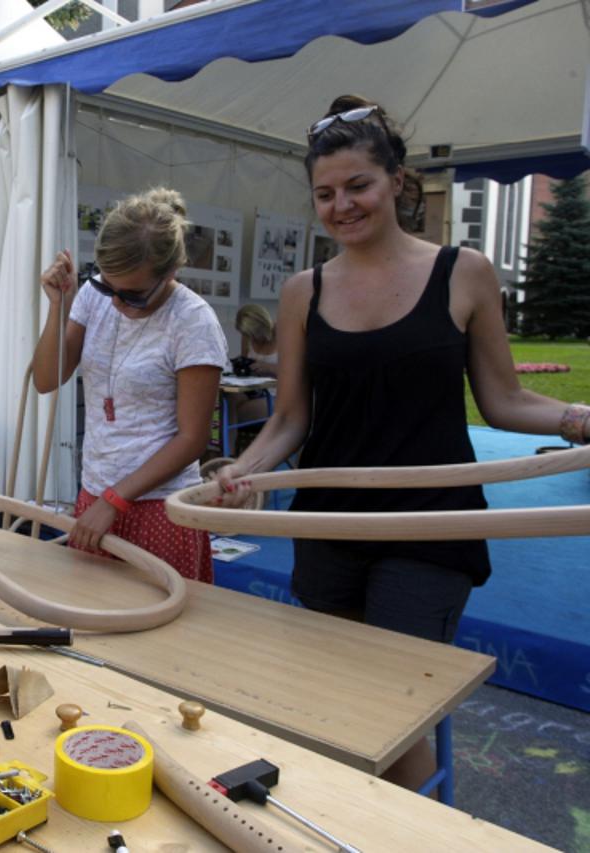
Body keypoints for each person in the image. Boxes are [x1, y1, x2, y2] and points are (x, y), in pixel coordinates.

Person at [216, 94, 590, 791]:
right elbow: (291, 419)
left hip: (431, 525)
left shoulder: (464, 271)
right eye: (325, 194)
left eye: (358, 185)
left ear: (396, 181)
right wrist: (243, 470)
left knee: (389, 707)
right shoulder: (304, 290)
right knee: (340, 701)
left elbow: (504, 401)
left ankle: (413, 831)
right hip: (330, 525)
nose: (342, 205)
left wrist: (578, 419)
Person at [31, 187, 227, 582]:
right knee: (91, 622)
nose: (117, 303)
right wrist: (59, 306)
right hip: (97, 494)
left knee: (158, 633)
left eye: (134, 296)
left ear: (172, 272)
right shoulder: (92, 295)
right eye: (108, 287)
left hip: (159, 506)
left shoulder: (193, 321)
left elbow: (192, 439)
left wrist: (115, 499)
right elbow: (45, 380)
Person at [232, 303, 278, 430]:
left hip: (278, 395)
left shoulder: (284, 334)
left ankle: (226, 446)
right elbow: (244, 363)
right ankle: (224, 448)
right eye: (249, 336)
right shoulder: (247, 336)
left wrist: (270, 368)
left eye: (256, 335)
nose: (253, 339)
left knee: (230, 414)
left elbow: (298, 374)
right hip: (254, 391)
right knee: (222, 402)